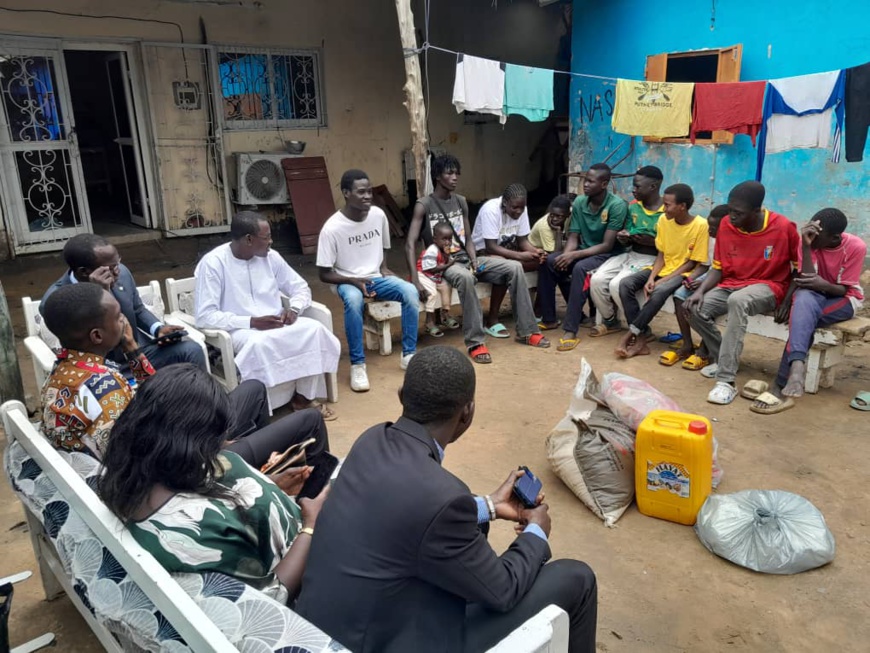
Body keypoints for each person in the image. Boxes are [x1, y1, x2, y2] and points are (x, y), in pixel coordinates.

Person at [296, 346, 597, 652]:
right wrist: (536, 531)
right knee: (577, 578)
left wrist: (489, 506)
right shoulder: (444, 498)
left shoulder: (372, 439)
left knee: (475, 533)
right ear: (467, 412)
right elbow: (503, 590)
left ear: (401, 396)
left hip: (330, 626)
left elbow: (409, 510)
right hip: (383, 642)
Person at [40, 284, 332, 491]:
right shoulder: (104, 389)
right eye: (118, 317)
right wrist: (212, 444)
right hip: (188, 469)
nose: (125, 321)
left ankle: (261, 475)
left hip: (177, 441)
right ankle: (311, 497)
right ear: (97, 335)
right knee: (310, 420)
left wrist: (131, 347)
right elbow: (147, 461)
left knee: (254, 389)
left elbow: (151, 397)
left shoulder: (66, 371)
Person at [99, 364, 329, 604]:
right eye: (218, 439)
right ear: (191, 442)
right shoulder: (196, 540)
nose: (226, 443)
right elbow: (272, 595)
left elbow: (206, 496)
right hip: (307, 569)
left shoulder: (139, 471)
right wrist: (311, 526)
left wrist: (269, 483)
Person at [195, 211, 340, 419]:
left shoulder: (272, 257)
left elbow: (300, 287)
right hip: (240, 329)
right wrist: (251, 322)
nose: (271, 242)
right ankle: (261, 409)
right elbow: (205, 316)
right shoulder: (213, 263)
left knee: (315, 330)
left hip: (278, 322)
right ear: (248, 239)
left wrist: (294, 309)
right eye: (267, 237)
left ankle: (303, 398)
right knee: (259, 345)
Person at [404, 155, 545, 365]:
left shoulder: (460, 201)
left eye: (456, 173)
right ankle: (476, 342)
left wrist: (474, 260)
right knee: (465, 278)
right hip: (444, 264)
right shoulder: (424, 205)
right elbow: (409, 244)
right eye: (449, 173)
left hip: (466, 258)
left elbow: (468, 238)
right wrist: (415, 279)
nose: (455, 177)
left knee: (515, 267)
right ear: (437, 176)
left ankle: (527, 331)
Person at [685, 181, 800, 405]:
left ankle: (726, 381)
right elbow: (718, 268)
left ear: (757, 211)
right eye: (730, 210)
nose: (732, 216)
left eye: (738, 213)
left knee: (738, 301)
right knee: (692, 307)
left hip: (769, 285)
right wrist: (700, 290)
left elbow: (799, 269)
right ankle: (724, 358)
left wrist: (787, 301)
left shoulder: (783, 227)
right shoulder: (726, 225)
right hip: (732, 283)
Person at [749, 208, 866, 414]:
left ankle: (783, 382)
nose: (810, 237)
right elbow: (807, 281)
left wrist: (824, 284)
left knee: (802, 319)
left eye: (815, 235)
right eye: (809, 232)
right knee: (803, 302)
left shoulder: (855, 247)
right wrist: (805, 246)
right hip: (812, 294)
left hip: (843, 298)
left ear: (834, 237)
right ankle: (795, 370)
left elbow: (845, 289)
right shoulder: (807, 240)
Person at [41, 234, 206, 371]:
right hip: (99, 367)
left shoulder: (122, 272)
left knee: (191, 351)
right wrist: (100, 292)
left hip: (138, 351)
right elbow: (88, 342)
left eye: (118, 263)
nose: (118, 272)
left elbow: (137, 309)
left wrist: (158, 329)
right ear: (84, 272)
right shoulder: (57, 300)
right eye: (110, 268)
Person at [318, 169, 419, 392]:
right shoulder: (332, 228)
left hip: (375, 277)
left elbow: (384, 247)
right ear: (346, 193)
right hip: (346, 280)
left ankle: (409, 354)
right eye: (361, 192)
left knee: (410, 291)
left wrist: (383, 268)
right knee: (354, 301)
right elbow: (324, 274)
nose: (367, 196)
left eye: (369, 192)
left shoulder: (378, 215)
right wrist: (353, 281)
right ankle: (358, 365)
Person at [537, 163, 629, 352]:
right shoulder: (579, 202)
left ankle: (570, 330)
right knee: (549, 261)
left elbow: (607, 245)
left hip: (608, 255)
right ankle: (549, 318)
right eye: (585, 180)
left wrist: (574, 255)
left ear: (604, 184)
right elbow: (573, 236)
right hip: (584, 251)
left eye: (590, 181)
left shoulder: (616, 205)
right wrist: (566, 256)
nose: (585, 184)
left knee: (580, 268)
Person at [614, 184, 708, 359]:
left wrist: (661, 281)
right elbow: (661, 255)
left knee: (659, 291)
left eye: (667, 205)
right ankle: (640, 337)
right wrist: (651, 277)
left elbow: (692, 263)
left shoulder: (700, 225)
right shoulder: (664, 220)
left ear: (682, 206)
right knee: (625, 284)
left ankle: (630, 335)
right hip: (663, 268)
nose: (664, 209)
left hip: (684, 272)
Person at [588, 166, 665, 338]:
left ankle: (639, 329)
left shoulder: (666, 211)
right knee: (597, 279)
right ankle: (610, 320)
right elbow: (628, 231)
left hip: (653, 260)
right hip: (631, 254)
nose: (633, 189)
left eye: (637, 186)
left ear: (653, 187)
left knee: (617, 284)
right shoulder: (634, 207)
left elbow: (671, 245)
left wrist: (652, 242)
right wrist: (625, 237)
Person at [470, 183, 550, 347]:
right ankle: (527, 331)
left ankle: (538, 312)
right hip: (481, 257)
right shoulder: (491, 210)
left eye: (522, 207)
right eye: (514, 208)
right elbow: (491, 246)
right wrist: (520, 256)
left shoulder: (521, 209)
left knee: (544, 261)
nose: (518, 211)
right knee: (512, 266)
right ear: (505, 202)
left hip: (505, 256)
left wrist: (535, 251)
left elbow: (522, 241)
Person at [670, 205, 728, 368]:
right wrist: (692, 278)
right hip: (710, 273)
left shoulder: (732, 240)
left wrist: (704, 284)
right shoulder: (710, 238)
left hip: (726, 278)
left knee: (705, 303)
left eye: (714, 228)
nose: (710, 230)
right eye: (709, 226)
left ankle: (704, 350)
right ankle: (687, 343)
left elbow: (727, 272)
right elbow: (705, 265)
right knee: (679, 295)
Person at [528, 194, 571, 317]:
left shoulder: (569, 218)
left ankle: (543, 311)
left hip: (550, 253)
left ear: (567, 215)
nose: (554, 219)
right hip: (535, 254)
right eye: (552, 215)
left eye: (559, 216)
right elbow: (553, 255)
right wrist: (558, 231)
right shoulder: (544, 226)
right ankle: (541, 310)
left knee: (561, 272)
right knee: (554, 271)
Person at [417, 221, 459, 338]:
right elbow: (432, 269)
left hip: (435, 277)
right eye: (444, 239)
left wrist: (448, 258)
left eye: (449, 239)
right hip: (424, 275)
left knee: (447, 287)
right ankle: (429, 321)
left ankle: (445, 314)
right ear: (435, 239)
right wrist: (449, 264)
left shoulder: (446, 249)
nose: (447, 242)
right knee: (432, 293)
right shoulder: (432, 250)